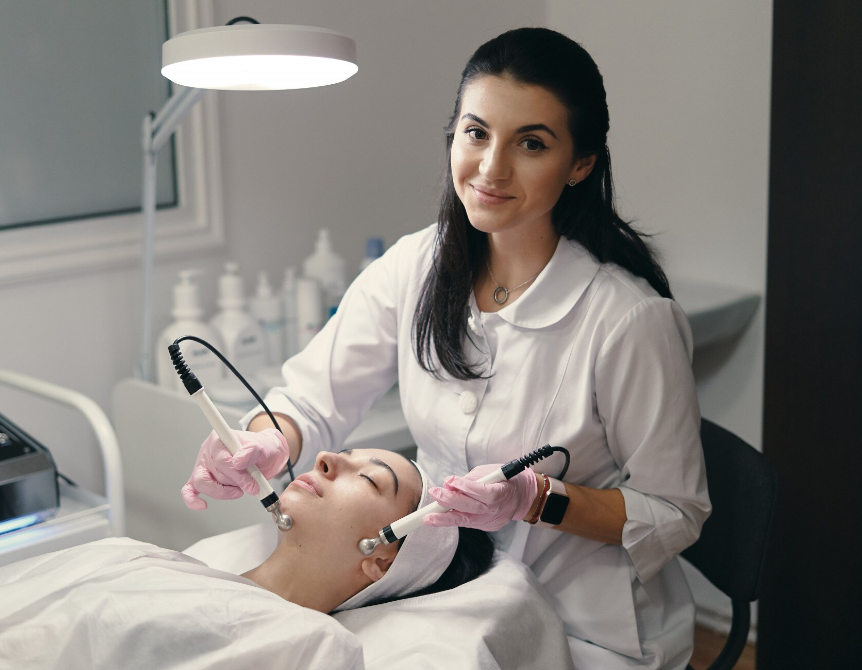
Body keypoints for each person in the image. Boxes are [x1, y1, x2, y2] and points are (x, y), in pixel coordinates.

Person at [183, 27, 711, 670]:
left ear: (581, 165)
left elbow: (675, 512)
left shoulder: (627, 322)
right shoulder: (416, 266)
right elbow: (312, 400)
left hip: (587, 629)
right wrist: (269, 439)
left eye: (532, 143)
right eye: (476, 132)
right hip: (447, 593)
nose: (491, 168)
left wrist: (535, 499)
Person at [0, 447, 494, 670]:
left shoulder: (310, 646)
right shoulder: (143, 556)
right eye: (346, 452)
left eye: (370, 478)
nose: (328, 458)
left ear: (379, 560)